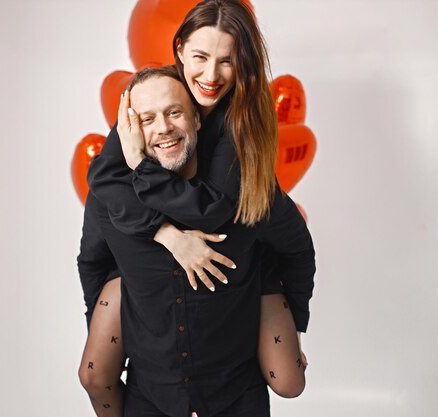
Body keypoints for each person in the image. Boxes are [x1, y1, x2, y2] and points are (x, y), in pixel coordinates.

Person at [79, 0, 316, 415]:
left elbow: (210, 210)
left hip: (232, 259)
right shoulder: (148, 97)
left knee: (289, 380)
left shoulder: (237, 122)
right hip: (151, 293)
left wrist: (139, 166)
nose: (210, 76)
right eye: (201, 57)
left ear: (243, 64)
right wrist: (166, 235)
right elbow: (102, 178)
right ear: (179, 51)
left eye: (227, 61)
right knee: (98, 367)